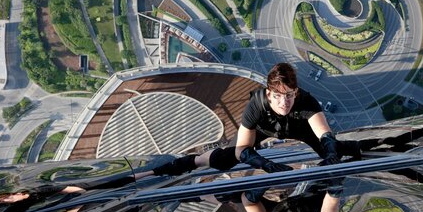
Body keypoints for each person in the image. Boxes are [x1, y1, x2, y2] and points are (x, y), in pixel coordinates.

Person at [151, 63, 381, 177]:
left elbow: (324, 133)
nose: (284, 102)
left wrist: (330, 152)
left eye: (289, 95)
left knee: (334, 151)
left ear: (296, 92)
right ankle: (181, 164)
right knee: (225, 158)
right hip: (263, 129)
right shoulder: (257, 104)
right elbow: (242, 149)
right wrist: (265, 165)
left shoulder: (306, 101)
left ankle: (385, 145)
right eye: (278, 96)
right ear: (269, 93)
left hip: (299, 129)